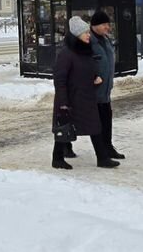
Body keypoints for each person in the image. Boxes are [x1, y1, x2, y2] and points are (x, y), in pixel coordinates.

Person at [52, 16, 118, 170]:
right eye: (85, 33)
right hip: (71, 99)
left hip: (86, 97)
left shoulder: (85, 50)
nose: (89, 35)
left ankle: (102, 158)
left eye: (88, 32)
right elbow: (60, 79)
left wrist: (95, 77)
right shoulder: (66, 53)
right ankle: (57, 158)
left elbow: (87, 68)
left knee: (95, 127)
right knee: (65, 128)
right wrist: (63, 103)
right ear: (76, 35)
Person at [90, 10, 124, 161]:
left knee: (106, 119)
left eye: (108, 24)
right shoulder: (88, 41)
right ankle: (63, 146)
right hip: (93, 91)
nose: (107, 27)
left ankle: (108, 147)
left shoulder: (105, 39)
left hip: (105, 90)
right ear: (95, 25)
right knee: (94, 123)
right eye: (104, 24)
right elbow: (82, 63)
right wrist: (92, 76)